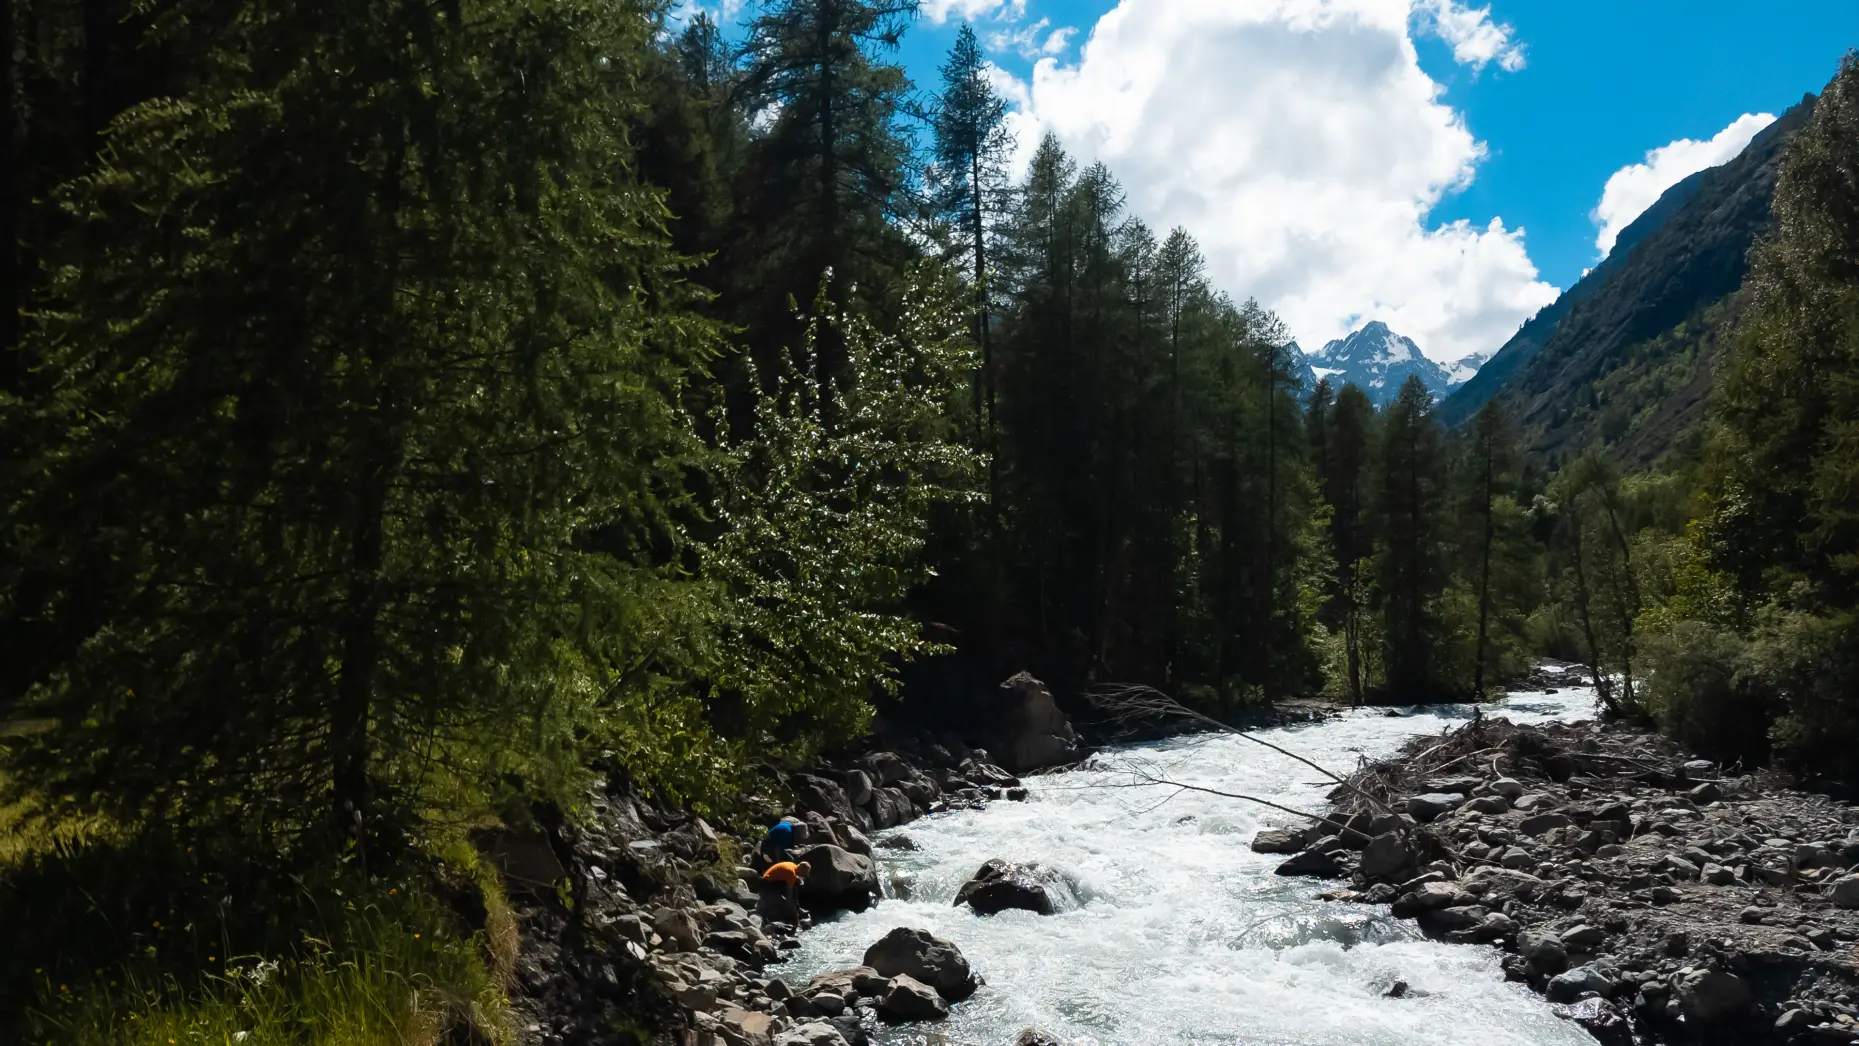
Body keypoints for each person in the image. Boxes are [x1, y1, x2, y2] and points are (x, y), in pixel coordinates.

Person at [760, 859, 810, 930]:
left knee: (797, 881)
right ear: (801, 869)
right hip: (767, 883)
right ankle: (794, 910)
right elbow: (789, 894)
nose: (804, 876)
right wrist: (794, 912)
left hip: (771, 879)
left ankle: (797, 907)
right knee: (793, 888)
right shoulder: (791, 873)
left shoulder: (793, 865)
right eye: (805, 873)